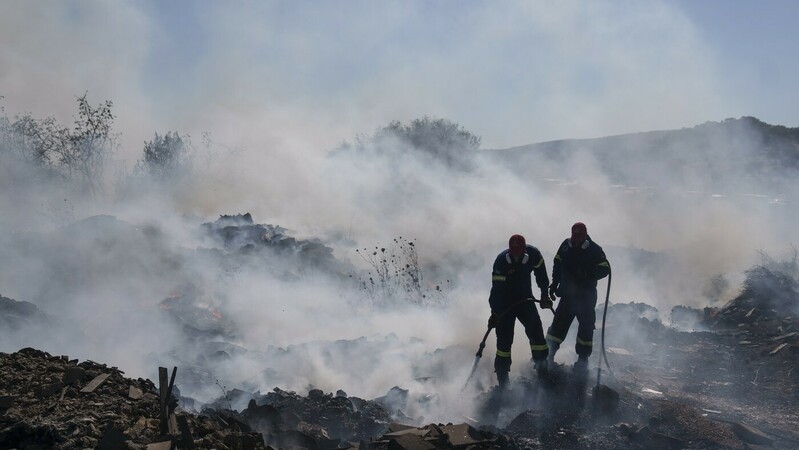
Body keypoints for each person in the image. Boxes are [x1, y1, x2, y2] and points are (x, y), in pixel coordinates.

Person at [488, 234, 553, 387]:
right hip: (505, 305)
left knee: (537, 335)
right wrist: (495, 312)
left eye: (519, 253)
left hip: (526, 301)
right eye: (513, 253)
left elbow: (541, 275)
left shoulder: (533, 255)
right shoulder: (501, 261)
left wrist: (544, 294)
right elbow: (496, 291)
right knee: (504, 342)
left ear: (524, 250)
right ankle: (503, 382)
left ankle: (542, 372)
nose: (516, 256)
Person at [546, 222, 610, 372]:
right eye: (574, 237)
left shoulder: (595, 249)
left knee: (586, 330)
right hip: (568, 296)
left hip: (586, 297)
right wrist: (554, 283)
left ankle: (582, 360)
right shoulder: (565, 246)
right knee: (558, 327)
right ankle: (547, 355)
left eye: (579, 238)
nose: (576, 241)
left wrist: (588, 273)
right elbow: (557, 262)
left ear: (585, 235)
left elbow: (605, 269)